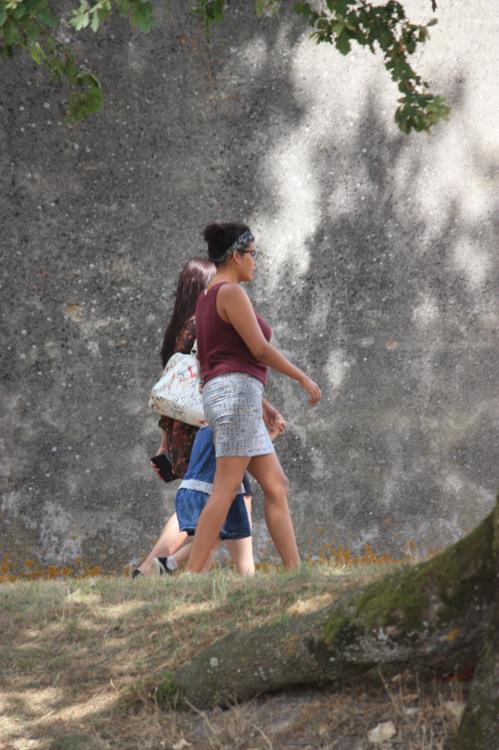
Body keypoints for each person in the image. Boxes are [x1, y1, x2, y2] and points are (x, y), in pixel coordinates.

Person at [186, 222, 321, 574]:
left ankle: (295, 572)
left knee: (277, 485)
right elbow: (258, 349)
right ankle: (190, 576)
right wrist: (301, 376)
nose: (255, 262)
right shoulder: (230, 293)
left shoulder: (205, 298)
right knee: (225, 489)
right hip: (235, 397)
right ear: (235, 255)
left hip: (236, 395)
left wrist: (261, 403)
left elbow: (219, 361)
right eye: (252, 255)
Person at [133, 257, 215, 577]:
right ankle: (155, 568)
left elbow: (171, 395)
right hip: (202, 428)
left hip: (182, 433)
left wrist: (164, 445)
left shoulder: (178, 329)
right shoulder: (202, 325)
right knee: (209, 507)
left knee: (204, 506)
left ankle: (191, 576)